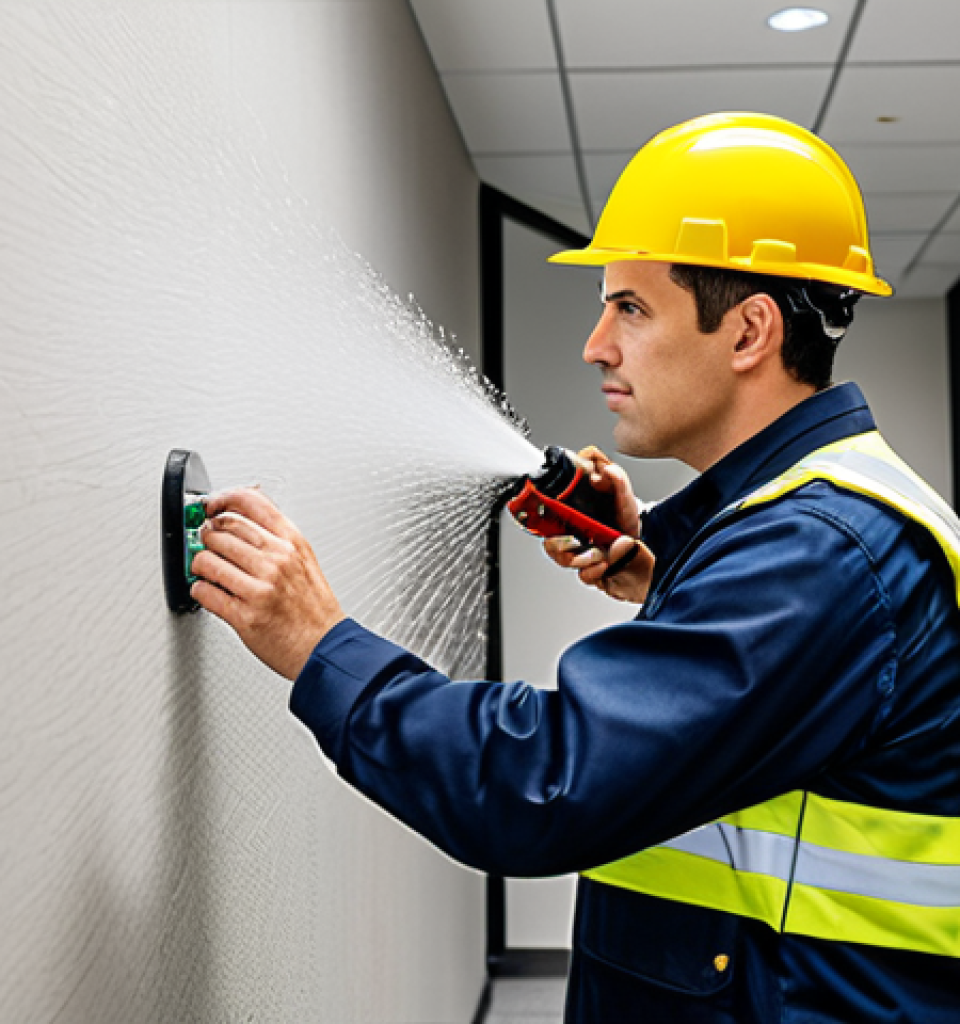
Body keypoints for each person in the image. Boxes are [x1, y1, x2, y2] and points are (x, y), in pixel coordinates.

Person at [190, 113, 960, 1022]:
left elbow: (543, 784)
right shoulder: (809, 524)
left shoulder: (818, 553)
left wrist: (320, 645)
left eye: (630, 307)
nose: (596, 344)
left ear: (750, 330)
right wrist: (662, 562)